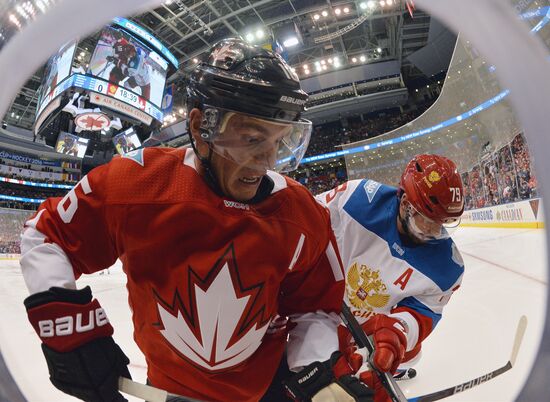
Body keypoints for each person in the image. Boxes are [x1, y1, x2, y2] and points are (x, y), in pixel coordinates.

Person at [20, 39, 377, 402]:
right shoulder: (134, 184)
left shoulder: (301, 213)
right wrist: (70, 332)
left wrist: (315, 372)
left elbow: (313, 306)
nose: (267, 159)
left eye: (280, 141)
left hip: (269, 389)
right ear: (200, 127)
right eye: (252, 138)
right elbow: (45, 235)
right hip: (170, 391)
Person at [317, 154, 465, 386]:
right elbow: (308, 226)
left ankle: (391, 364)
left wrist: (397, 333)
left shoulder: (448, 267)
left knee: (410, 352)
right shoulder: (356, 200)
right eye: (426, 220)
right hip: (321, 310)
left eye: (442, 224)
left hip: (370, 326)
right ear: (405, 203)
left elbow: (424, 311)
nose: (433, 231)